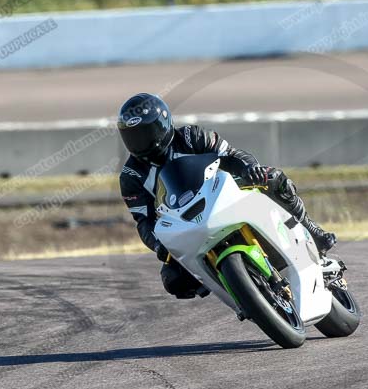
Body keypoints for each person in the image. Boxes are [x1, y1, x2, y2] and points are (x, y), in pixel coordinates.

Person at [117, 93, 337, 299]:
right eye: (133, 137)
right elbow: (144, 221)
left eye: (147, 132)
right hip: (184, 223)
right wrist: (158, 245)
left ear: (163, 124)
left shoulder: (191, 137)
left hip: (223, 194)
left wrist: (249, 169)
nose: (142, 142)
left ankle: (311, 230)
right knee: (174, 280)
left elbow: (231, 155)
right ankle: (239, 292)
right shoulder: (131, 176)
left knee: (274, 179)